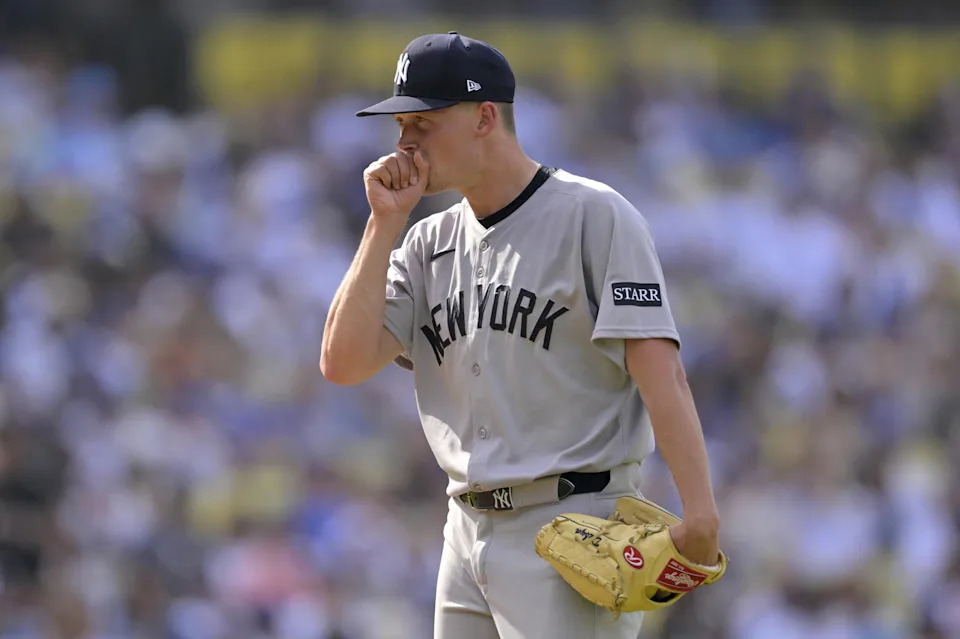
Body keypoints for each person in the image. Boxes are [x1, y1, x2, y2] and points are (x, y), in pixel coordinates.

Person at [320, 31, 721, 639]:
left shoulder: (593, 215)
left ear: (485, 117)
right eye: (400, 123)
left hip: (571, 528)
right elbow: (343, 362)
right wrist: (383, 226)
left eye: (423, 123)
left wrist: (701, 515)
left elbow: (660, 372)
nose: (404, 141)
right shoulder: (425, 243)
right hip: (464, 530)